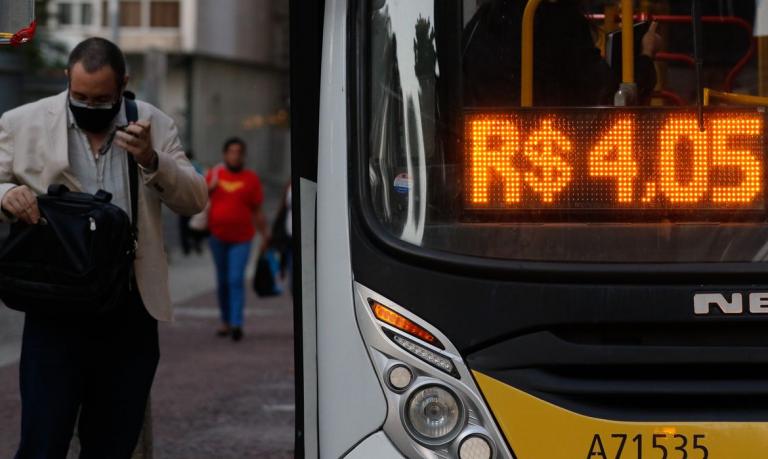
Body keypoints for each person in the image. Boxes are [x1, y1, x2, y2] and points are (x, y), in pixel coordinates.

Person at [0, 38, 207, 458]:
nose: (90, 105)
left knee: (114, 442)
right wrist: (5, 194)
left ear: (124, 85)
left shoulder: (154, 124)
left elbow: (195, 199)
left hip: (128, 308)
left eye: (101, 99)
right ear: (67, 80)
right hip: (55, 307)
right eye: (80, 96)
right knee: (43, 440)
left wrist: (153, 160)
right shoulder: (22, 122)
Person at [463, 0, 662, 107]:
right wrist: (645, 54)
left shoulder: (479, 24)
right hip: (551, 160)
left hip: (487, 163)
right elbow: (606, 97)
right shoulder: (559, 21)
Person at [207, 137, 268, 342]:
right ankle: (225, 321)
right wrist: (209, 187)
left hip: (242, 239)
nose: (235, 155)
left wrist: (265, 234)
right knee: (222, 280)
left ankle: (236, 324)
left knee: (235, 279)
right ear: (225, 154)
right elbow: (195, 199)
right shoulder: (214, 175)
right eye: (231, 151)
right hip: (217, 237)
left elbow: (257, 210)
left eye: (239, 152)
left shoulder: (251, 179)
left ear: (243, 155)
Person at [178, 150, 206, 255]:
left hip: (182, 199)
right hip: (195, 199)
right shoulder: (197, 166)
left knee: (183, 225)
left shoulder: (180, 166)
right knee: (195, 224)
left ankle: (186, 248)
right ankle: (197, 244)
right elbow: (202, 180)